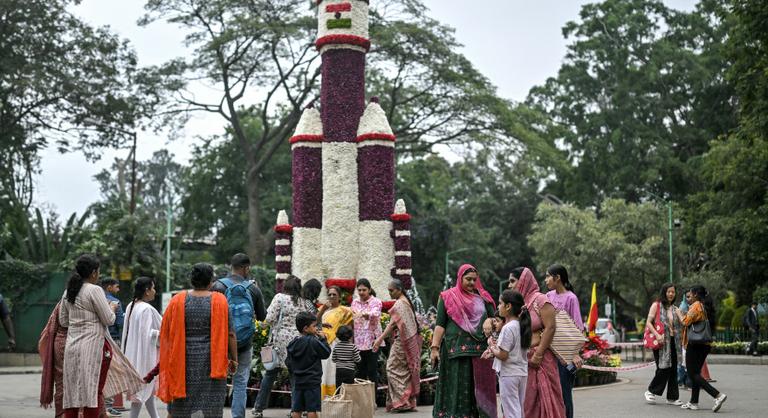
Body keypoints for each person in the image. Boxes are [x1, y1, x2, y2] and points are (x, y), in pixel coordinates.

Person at [59, 254, 142, 418]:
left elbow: (63, 320)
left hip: (72, 347)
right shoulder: (94, 290)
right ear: (93, 273)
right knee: (93, 391)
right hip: (92, 348)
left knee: (71, 392)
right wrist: (111, 307)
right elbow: (109, 320)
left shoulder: (69, 291)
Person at [158, 262, 238, 418]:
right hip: (211, 362)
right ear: (211, 281)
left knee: (182, 406)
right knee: (211, 407)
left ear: (192, 280)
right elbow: (231, 334)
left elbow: (165, 332)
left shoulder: (178, 300)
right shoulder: (220, 301)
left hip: (183, 362)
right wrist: (234, 359)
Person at [430, 264, 497, 418]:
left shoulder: (483, 297)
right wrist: (434, 348)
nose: (472, 283)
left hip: (480, 352)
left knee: (478, 389)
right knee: (456, 388)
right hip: (454, 351)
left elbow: (497, 319)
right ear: (460, 278)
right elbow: (440, 324)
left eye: (474, 279)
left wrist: (490, 321)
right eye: (468, 279)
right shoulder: (447, 297)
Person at [210, 253, 267, 418]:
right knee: (241, 382)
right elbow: (262, 317)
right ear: (246, 268)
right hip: (245, 343)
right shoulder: (253, 289)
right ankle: (237, 416)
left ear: (231, 267)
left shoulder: (217, 286)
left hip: (221, 342)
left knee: (218, 381)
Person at [252, 275, 316, 418]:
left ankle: (258, 409)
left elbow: (268, 319)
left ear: (285, 286)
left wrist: (260, 323)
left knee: (269, 375)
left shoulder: (279, 298)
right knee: (295, 376)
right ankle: (296, 410)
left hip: (279, 343)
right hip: (298, 343)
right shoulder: (303, 302)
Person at [509, 267, 565, 418]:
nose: (510, 285)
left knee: (547, 401)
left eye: (513, 281)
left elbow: (551, 327)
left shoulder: (540, 300)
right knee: (527, 402)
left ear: (523, 281)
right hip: (522, 360)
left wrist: (539, 354)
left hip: (541, 360)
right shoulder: (519, 305)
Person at [675, 285, 727, 412]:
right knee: (695, 373)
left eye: (690, 295)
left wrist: (678, 312)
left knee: (693, 374)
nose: (689, 297)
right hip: (703, 345)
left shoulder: (696, 305)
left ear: (696, 295)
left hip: (695, 344)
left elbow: (685, 322)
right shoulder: (702, 306)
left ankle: (717, 395)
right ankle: (694, 402)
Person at [373, 279, 423, 412]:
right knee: (405, 371)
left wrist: (379, 340)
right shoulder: (404, 302)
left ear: (399, 289)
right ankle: (408, 401)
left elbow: (392, 325)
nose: (389, 293)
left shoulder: (400, 304)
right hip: (409, 341)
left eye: (391, 290)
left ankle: (402, 402)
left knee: (391, 369)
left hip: (403, 342)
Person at [543, 264, 583, 418]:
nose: (546, 280)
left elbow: (578, 327)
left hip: (566, 355)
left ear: (557, 278)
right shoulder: (548, 296)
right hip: (550, 352)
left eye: (548, 276)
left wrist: (574, 353)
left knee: (564, 394)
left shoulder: (571, 298)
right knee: (552, 394)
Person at [121, 277, 162, 418]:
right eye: (153, 288)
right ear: (147, 290)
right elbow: (148, 335)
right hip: (144, 357)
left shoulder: (131, 305)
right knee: (142, 391)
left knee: (145, 393)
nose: (154, 291)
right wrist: (163, 334)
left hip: (133, 355)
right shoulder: (146, 309)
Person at [487, 290, 530, 418]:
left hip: (509, 374)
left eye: (500, 303)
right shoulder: (520, 325)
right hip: (521, 372)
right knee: (519, 409)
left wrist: (491, 346)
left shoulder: (508, 327)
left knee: (511, 410)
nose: (498, 306)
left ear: (508, 306)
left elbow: (503, 355)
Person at [286, 311, 332, 418]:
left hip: (298, 381)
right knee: (312, 410)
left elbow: (288, 362)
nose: (316, 328)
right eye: (314, 326)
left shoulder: (293, 343)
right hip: (312, 382)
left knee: (296, 409)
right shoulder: (313, 342)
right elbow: (326, 353)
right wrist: (323, 339)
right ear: (306, 328)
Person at [643, 283, 683, 406]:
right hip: (661, 342)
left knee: (673, 370)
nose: (671, 294)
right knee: (663, 368)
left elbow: (682, 324)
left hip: (673, 342)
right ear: (664, 292)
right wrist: (657, 335)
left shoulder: (675, 308)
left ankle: (672, 397)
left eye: (673, 292)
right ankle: (650, 391)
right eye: (668, 291)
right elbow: (649, 322)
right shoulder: (656, 305)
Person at [318, 285, 354, 397]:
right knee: (324, 370)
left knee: (334, 369)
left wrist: (350, 346)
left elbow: (350, 329)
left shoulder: (345, 311)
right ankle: (324, 396)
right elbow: (314, 323)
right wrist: (323, 309)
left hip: (338, 344)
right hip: (323, 344)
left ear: (339, 297)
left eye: (334, 294)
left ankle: (336, 395)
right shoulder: (321, 309)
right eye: (329, 294)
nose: (332, 296)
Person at [38, 301, 68, 417]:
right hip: (73, 342)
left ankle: (61, 414)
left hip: (59, 343)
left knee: (61, 384)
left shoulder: (63, 300)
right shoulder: (83, 298)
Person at [351, 278, 384, 384]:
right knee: (360, 371)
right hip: (358, 341)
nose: (361, 292)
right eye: (359, 290)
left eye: (364, 290)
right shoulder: (355, 302)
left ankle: (372, 399)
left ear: (369, 290)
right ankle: (361, 398)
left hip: (372, 341)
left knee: (372, 371)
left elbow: (376, 313)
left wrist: (363, 314)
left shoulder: (376, 302)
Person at [101, 278, 124, 347]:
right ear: (109, 287)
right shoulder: (115, 302)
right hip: (113, 338)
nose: (118, 290)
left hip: (99, 337)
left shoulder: (97, 299)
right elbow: (120, 322)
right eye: (117, 287)